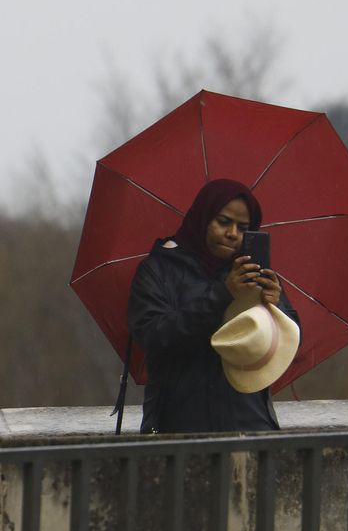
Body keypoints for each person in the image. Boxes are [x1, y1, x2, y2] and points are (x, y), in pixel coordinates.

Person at [127, 178, 301, 433]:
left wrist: (278, 310)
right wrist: (222, 294)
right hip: (179, 426)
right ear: (202, 218)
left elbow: (291, 341)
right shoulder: (158, 270)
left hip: (250, 423)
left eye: (243, 228)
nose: (232, 233)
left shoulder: (252, 273)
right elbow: (154, 334)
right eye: (223, 222)